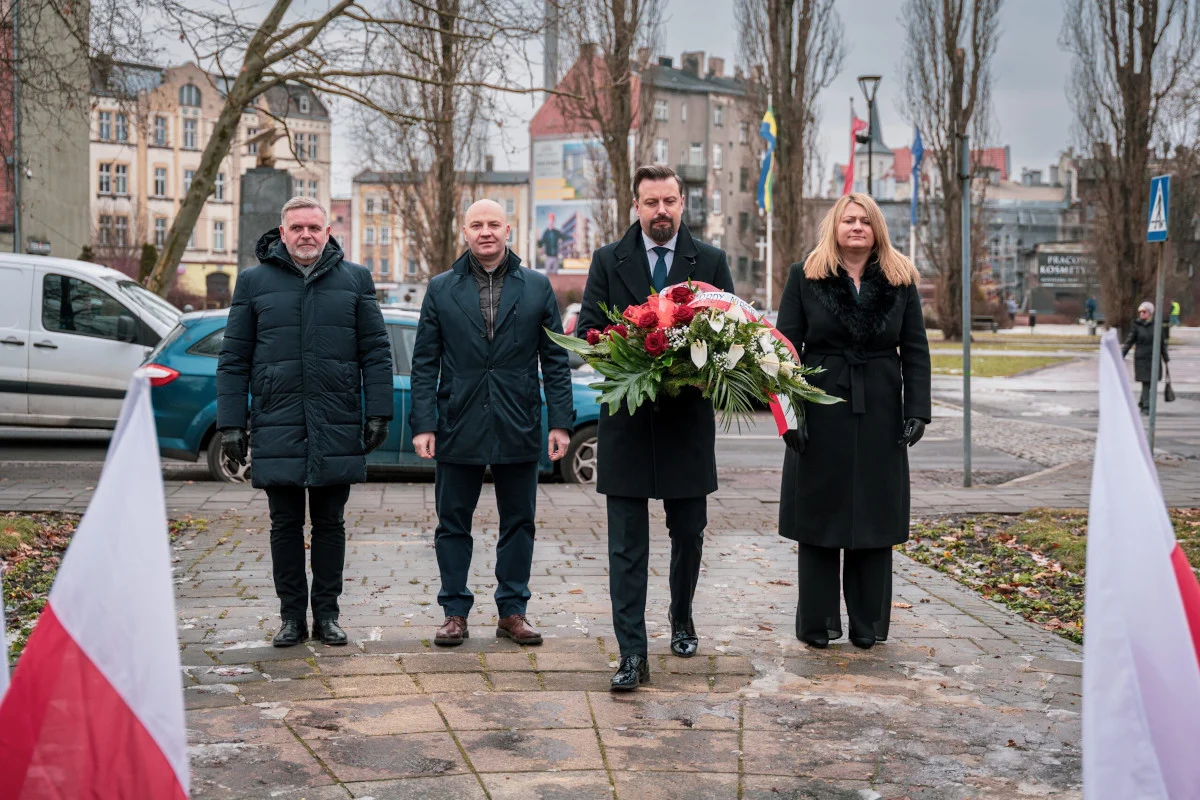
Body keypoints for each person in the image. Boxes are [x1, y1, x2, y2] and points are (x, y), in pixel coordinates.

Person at [576, 164, 735, 691]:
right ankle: (632, 654)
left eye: (669, 201)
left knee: (688, 533)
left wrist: (698, 366)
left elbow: (732, 333)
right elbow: (589, 333)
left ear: (682, 204)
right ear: (636, 206)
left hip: (686, 424)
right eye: (651, 202)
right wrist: (618, 347)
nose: (660, 211)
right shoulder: (607, 260)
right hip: (625, 423)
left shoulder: (709, 261)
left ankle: (681, 616)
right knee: (626, 544)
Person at [217, 196, 393, 647]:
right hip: (279, 421)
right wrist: (231, 422)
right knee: (284, 524)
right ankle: (292, 617)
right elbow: (234, 359)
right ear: (282, 233)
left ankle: (328, 615)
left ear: (328, 232)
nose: (306, 235)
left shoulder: (356, 280)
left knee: (331, 524)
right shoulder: (254, 283)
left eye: (314, 228)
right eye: (297, 228)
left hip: (336, 419)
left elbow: (376, 351)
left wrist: (379, 411)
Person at [409, 199, 575, 647]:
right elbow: (424, 363)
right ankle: (454, 612)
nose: (486, 232)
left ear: (509, 230)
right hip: (458, 418)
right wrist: (423, 424)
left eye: (494, 224)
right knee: (452, 521)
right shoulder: (441, 288)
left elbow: (555, 361)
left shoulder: (538, 287)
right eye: (477, 225)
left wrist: (560, 423)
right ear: (464, 231)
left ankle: (513, 610)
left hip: (518, 418)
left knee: (519, 520)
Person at [776, 192, 931, 650]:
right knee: (821, 519)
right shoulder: (805, 275)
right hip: (820, 410)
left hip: (881, 409)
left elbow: (916, 349)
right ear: (835, 228)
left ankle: (869, 625)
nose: (857, 227)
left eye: (865, 220)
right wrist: (789, 414)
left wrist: (917, 410)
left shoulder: (900, 279)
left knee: (873, 520)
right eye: (848, 220)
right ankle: (818, 624)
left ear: (877, 227)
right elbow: (783, 351)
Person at [1122, 301, 1170, 414]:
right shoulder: (1136, 326)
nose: (1141, 314)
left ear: (1150, 313)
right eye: (1140, 312)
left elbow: (1161, 343)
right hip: (1141, 360)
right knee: (1146, 382)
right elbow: (1129, 342)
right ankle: (1146, 406)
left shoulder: (1156, 326)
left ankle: (1143, 402)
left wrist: (1165, 358)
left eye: (1144, 311)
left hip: (1154, 359)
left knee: (1151, 382)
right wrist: (1121, 355)